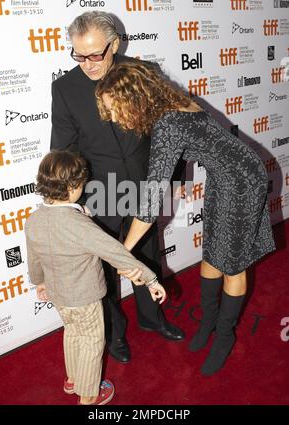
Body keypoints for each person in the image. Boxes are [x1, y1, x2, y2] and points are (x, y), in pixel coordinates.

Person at [95, 62, 276, 376]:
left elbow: (150, 202)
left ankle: (224, 335)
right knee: (212, 254)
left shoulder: (168, 122)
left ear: (133, 98)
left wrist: (121, 252)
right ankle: (208, 323)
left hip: (245, 181)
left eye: (115, 108)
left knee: (232, 264)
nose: (112, 117)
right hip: (224, 178)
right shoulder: (169, 103)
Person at [50, 11, 184, 364]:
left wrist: (177, 180)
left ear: (115, 44)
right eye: (79, 55)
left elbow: (170, 130)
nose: (88, 64)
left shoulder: (144, 73)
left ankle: (153, 320)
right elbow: (64, 149)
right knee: (105, 270)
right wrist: (72, 201)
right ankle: (114, 334)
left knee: (147, 255)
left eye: (96, 54)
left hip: (144, 184)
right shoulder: (64, 88)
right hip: (98, 194)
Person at [24, 151, 166, 405]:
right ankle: (89, 395)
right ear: (73, 187)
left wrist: (40, 282)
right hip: (84, 298)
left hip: (58, 295)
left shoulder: (34, 219)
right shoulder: (78, 224)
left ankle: (73, 380)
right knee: (91, 342)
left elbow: (34, 258)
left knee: (72, 333)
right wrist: (151, 279)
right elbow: (116, 252)